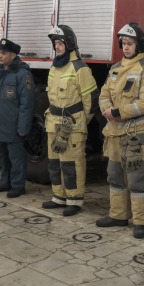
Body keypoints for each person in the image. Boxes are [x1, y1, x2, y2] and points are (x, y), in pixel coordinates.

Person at [95, 23, 144, 239]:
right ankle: (118, 216)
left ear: (139, 44)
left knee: (137, 179)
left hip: (137, 134)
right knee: (115, 177)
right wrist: (107, 109)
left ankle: (140, 222)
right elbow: (103, 94)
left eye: (130, 43)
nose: (125, 47)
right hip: (113, 133)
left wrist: (119, 112)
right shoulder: (114, 69)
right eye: (123, 43)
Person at [42, 25, 97, 216]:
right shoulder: (54, 67)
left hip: (72, 126)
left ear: (69, 44)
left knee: (72, 163)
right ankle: (59, 196)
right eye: (55, 44)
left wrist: (82, 122)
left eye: (60, 43)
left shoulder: (80, 68)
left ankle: (74, 199)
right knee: (54, 161)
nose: (57, 47)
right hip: (53, 123)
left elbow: (91, 100)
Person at [0, 38, 34, 198]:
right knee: (2, 156)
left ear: (13, 55)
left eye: (3, 53)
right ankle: (5, 182)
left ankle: (18, 185)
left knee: (16, 157)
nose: (0, 56)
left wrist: (23, 127)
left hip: (12, 125)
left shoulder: (23, 74)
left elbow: (27, 104)